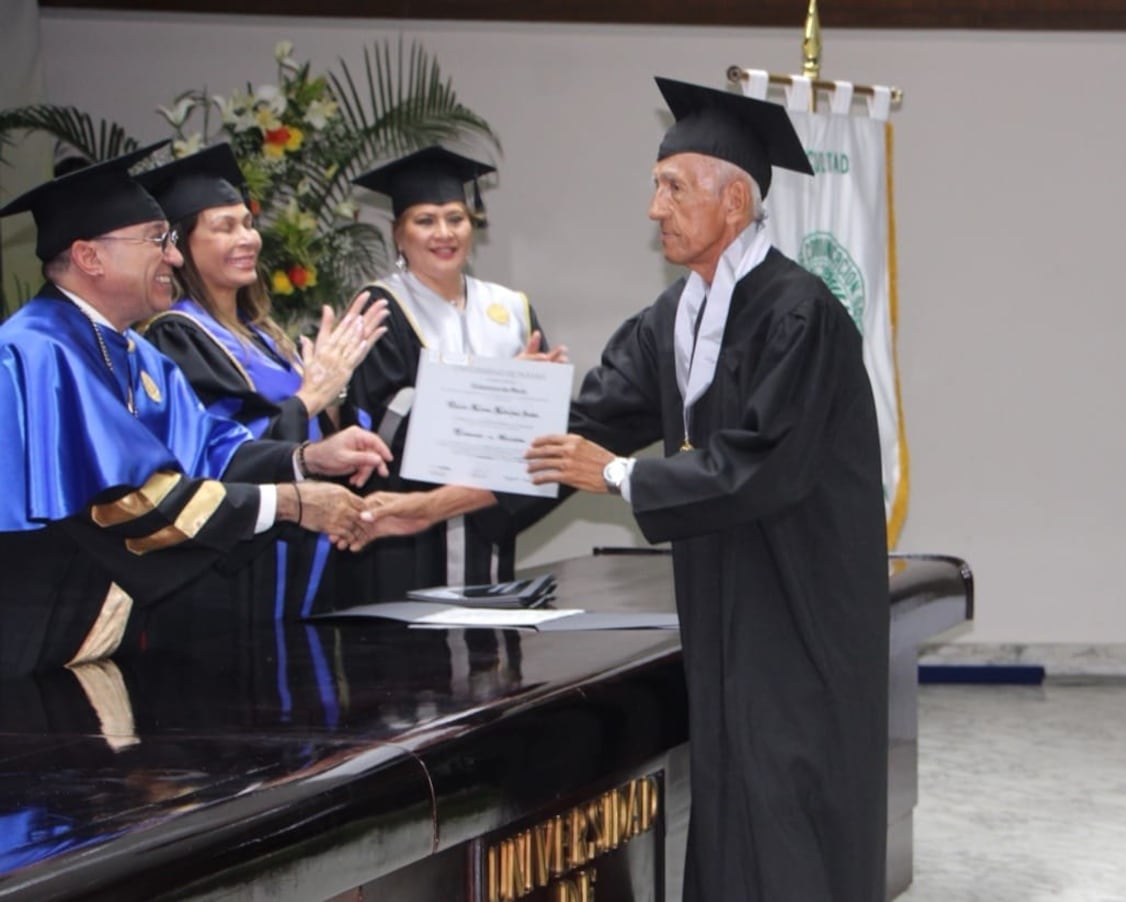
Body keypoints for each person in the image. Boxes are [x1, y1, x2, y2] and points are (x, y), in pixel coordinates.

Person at [356, 79, 890, 901]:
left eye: (672, 186)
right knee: (729, 798)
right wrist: (421, 506)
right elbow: (580, 431)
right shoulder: (675, 318)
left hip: (797, 609)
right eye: (656, 186)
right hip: (724, 608)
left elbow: (761, 468)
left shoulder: (800, 315)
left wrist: (615, 473)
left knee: (789, 798)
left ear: (736, 199)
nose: (654, 208)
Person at [0, 144, 392, 677]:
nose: (175, 257)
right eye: (157, 241)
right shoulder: (35, 353)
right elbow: (125, 501)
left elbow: (210, 448)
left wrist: (309, 458)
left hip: (96, 640)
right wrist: (288, 503)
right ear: (90, 256)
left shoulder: (135, 353)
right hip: (36, 634)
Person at [136, 143, 388, 617]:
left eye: (248, 223)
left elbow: (307, 427)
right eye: (225, 227)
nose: (247, 238)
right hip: (236, 576)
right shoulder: (175, 335)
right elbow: (218, 455)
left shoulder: (264, 336)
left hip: (300, 553)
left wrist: (333, 397)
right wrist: (309, 398)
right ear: (181, 244)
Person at [341, 146, 565, 599]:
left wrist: (536, 395)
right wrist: (505, 389)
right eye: (425, 220)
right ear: (397, 234)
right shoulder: (380, 307)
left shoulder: (510, 308)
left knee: (492, 660)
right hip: (409, 528)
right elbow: (382, 421)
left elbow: (541, 429)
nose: (443, 233)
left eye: (455, 218)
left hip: (487, 520)